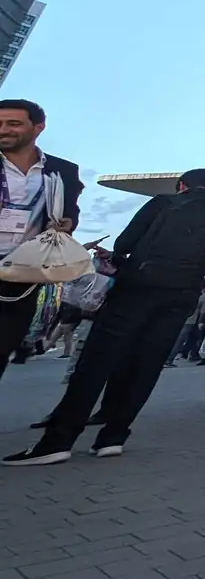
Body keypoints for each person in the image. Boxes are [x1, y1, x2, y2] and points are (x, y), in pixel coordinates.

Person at [6, 168, 205, 465]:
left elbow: (125, 243)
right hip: (181, 295)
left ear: (181, 186)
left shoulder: (162, 203)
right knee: (147, 365)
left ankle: (58, 440)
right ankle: (113, 436)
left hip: (136, 289)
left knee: (97, 361)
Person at [0, 99, 84, 385]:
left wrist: (68, 223)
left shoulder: (61, 171)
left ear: (37, 128)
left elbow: (70, 211)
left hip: (22, 275)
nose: (4, 130)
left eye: (13, 123)